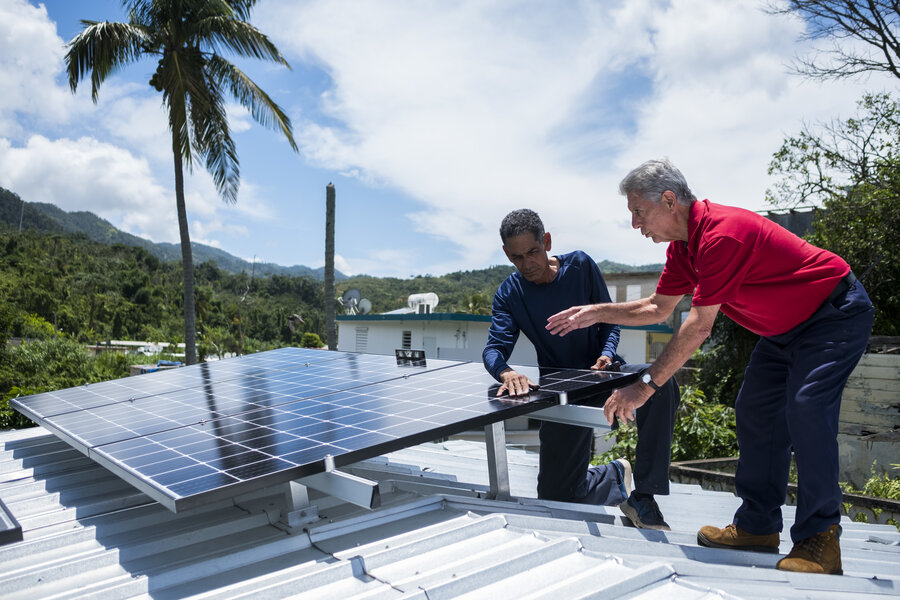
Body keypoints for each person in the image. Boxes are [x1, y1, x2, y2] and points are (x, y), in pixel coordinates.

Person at [546, 158, 874, 575]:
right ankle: (757, 527)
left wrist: (643, 387)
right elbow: (656, 307)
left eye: (638, 212)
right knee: (755, 410)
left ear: (668, 201)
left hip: (833, 314)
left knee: (806, 408)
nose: (634, 224)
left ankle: (820, 540)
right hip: (784, 331)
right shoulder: (684, 248)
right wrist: (597, 312)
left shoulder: (722, 234)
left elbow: (699, 325)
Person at [483, 208, 680, 529]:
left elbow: (610, 321)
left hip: (604, 375)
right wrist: (506, 372)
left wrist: (605, 353)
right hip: (562, 390)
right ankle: (614, 475)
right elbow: (493, 350)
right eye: (517, 257)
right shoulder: (509, 294)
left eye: (533, 252)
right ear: (507, 254)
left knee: (660, 381)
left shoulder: (581, 266)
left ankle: (644, 496)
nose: (527, 264)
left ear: (546, 241)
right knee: (555, 496)